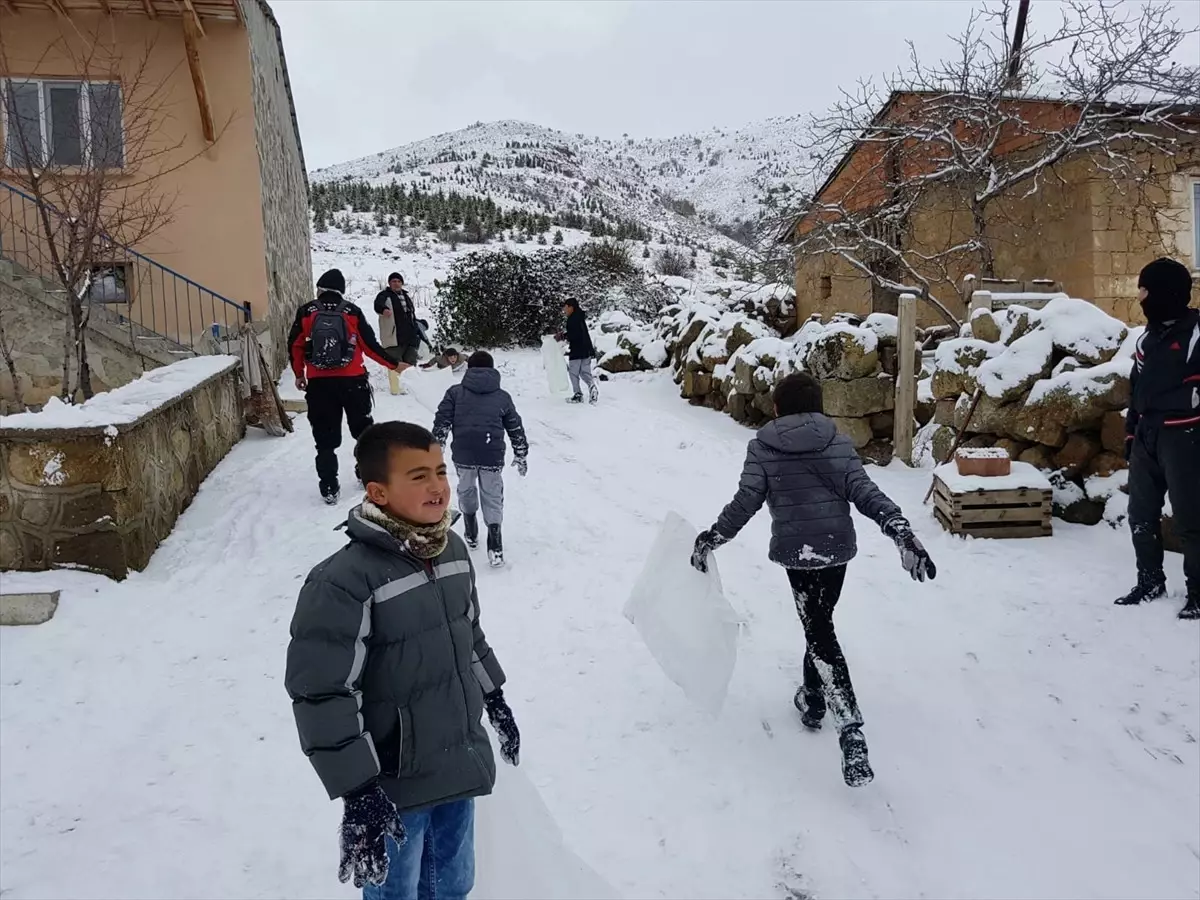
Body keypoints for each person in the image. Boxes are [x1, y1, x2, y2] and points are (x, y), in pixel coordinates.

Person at [285, 421, 520, 899]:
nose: (437, 485)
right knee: (398, 892)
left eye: (439, 470)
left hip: (457, 758)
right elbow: (322, 692)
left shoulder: (452, 549)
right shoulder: (344, 580)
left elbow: (467, 633)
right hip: (393, 783)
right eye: (418, 476)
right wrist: (358, 790)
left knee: (454, 885)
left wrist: (494, 697)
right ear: (379, 491)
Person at [690, 372, 937, 787]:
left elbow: (746, 501)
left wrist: (713, 537)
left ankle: (850, 727)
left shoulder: (763, 447)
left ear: (776, 408)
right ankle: (814, 701)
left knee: (819, 629)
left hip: (798, 555)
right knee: (819, 624)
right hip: (835, 549)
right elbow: (864, 491)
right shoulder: (836, 441)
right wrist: (899, 529)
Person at [1117, 257, 1199, 620]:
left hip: (1186, 434)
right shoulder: (1146, 339)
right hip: (1148, 436)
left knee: (1190, 517)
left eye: (1145, 289)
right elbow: (1137, 389)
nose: (1140, 296)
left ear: (1166, 292)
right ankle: (1149, 580)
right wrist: (1132, 432)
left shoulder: (1197, 334)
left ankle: (1198, 590)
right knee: (1140, 514)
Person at [289, 268, 405, 504]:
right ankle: (365, 474)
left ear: (320, 289)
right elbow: (370, 346)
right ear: (341, 290)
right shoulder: (352, 311)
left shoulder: (307, 311)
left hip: (320, 385)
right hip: (353, 382)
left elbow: (295, 345)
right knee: (363, 432)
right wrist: (394, 365)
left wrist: (299, 374)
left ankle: (329, 486)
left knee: (324, 438)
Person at [432, 351, 528, 567]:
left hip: (464, 453)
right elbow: (515, 426)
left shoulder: (455, 393)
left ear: (469, 368)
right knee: (492, 495)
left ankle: (471, 529)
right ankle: (495, 544)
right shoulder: (502, 397)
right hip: (491, 453)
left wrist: (436, 448)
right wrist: (521, 452)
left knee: (465, 488)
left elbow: (442, 422)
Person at [374, 273, 430, 395]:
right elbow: (377, 305)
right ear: (389, 283)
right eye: (393, 281)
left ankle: (409, 387)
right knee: (394, 362)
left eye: (399, 281)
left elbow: (411, 315)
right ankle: (396, 389)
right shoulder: (384, 295)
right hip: (393, 336)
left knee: (410, 361)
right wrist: (384, 310)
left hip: (409, 336)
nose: (396, 283)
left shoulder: (406, 296)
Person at [555, 298, 598, 404]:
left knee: (573, 373)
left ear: (571, 307)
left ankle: (578, 395)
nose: (564, 310)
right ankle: (592, 387)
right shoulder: (580, 317)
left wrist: (562, 336)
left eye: (565, 307)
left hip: (577, 350)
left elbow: (574, 335)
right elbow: (583, 334)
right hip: (586, 349)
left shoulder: (572, 319)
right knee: (585, 373)